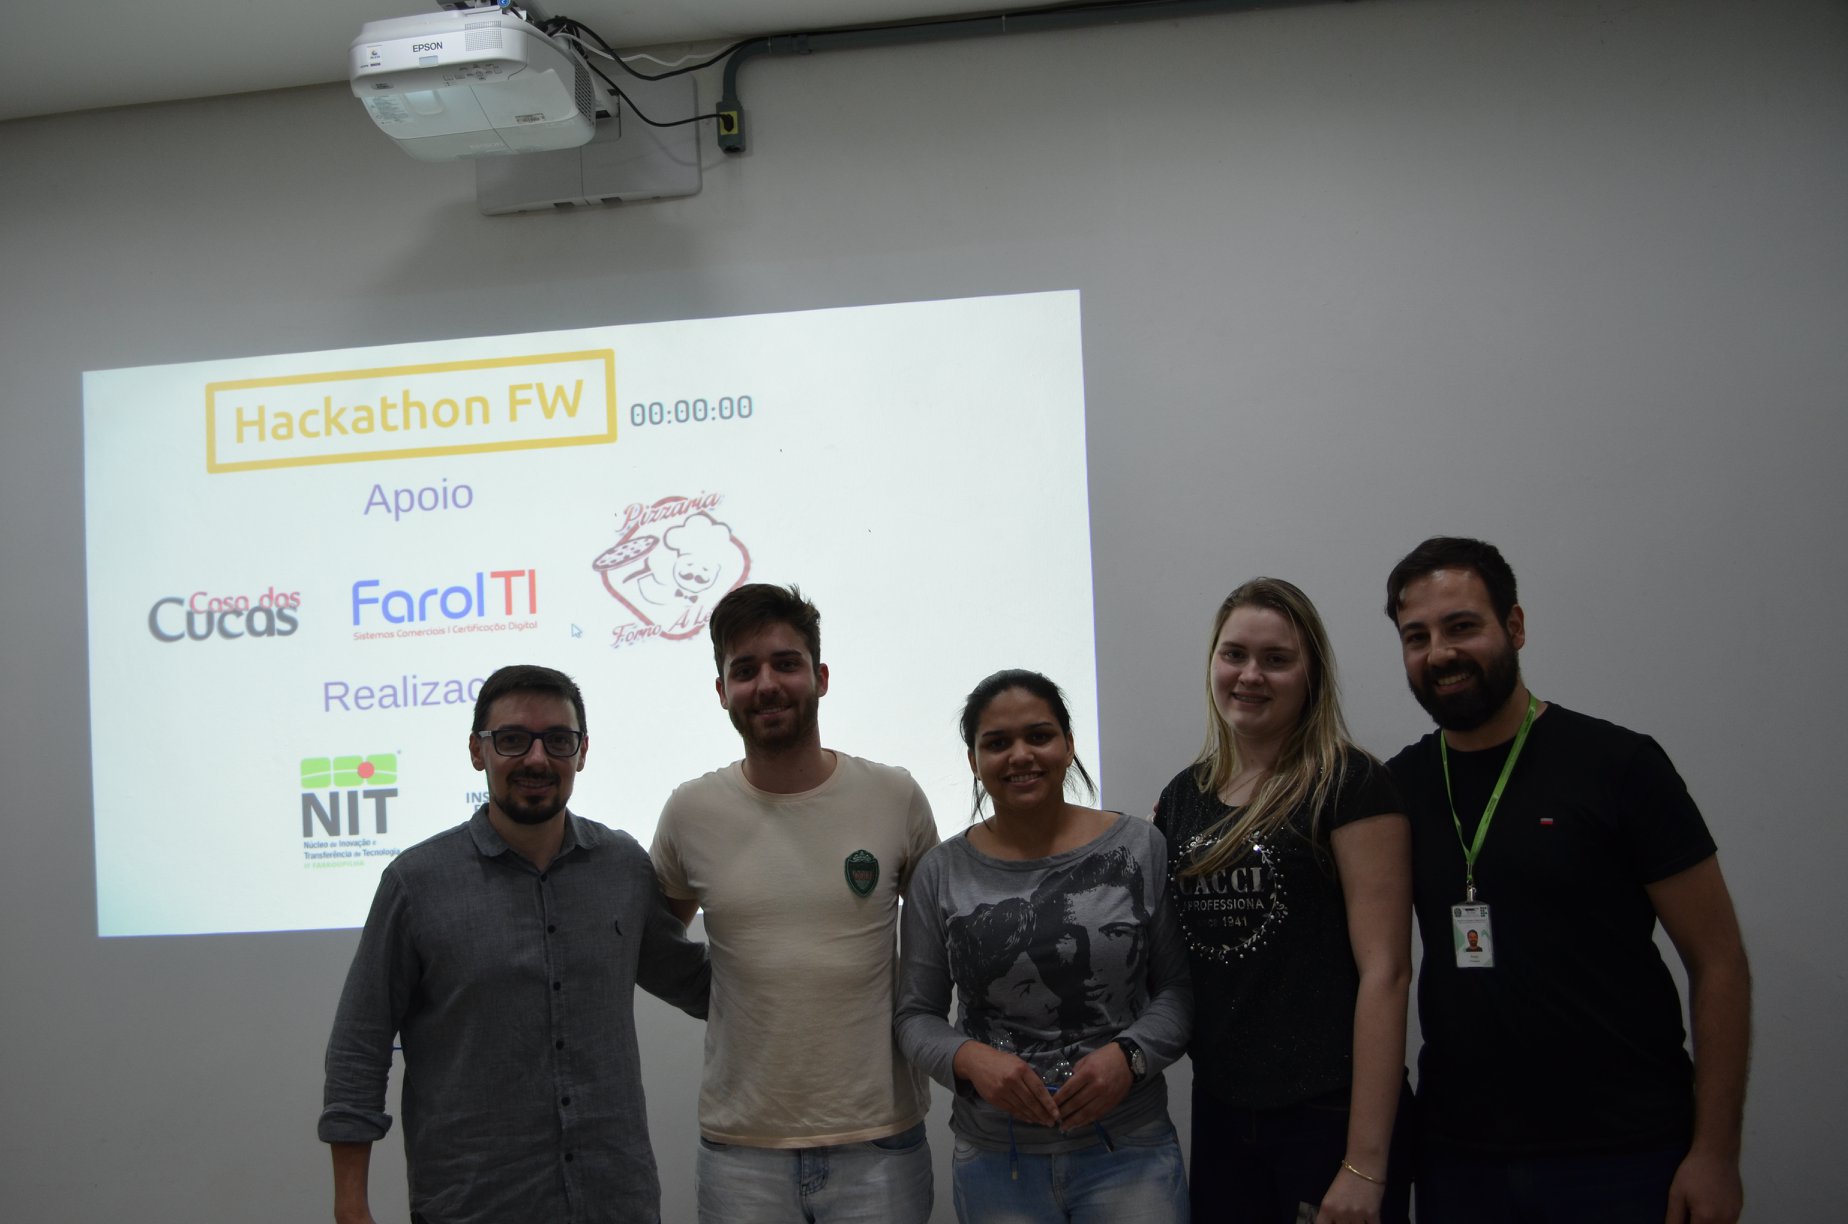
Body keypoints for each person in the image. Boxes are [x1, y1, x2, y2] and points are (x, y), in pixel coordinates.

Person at [1382, 537, 1750, 1224]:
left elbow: (1720, 962)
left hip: (1625, 1155)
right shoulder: (1396, 790)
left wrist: (1716, 1152)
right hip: (1460, 1159)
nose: (1440, 653)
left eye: (1462, 626)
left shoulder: (1619, 765)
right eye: (1417, 636)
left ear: (1514, 626)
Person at [319, 663, 710, 1224]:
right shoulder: (416, 883)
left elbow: (697, 983)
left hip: (613, 1201)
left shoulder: (621, 867)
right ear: (477, 751)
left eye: (558, 740)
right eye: (512, 740)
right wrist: (351, 1204)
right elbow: (360, 1043)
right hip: (474, 1205)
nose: (536, 759)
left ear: (582, 751)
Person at [650, 583, 939, 1224]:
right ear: (721, 690)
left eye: (786, 663)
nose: (767, 685)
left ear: (821, 677)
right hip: (741, 1152)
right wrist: (724, 995)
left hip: (879, 1142)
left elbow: (939, 950)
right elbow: (654, 944)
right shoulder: (690, 811)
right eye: (744, 670)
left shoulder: (895, 796)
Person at [1154, 578, 1413, 1224]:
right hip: (1223, 1111)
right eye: (1234, 654)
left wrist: (1365, 1164)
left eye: (1276, 659)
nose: (1250, 675)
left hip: (1328, 1115)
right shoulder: (1183, 796)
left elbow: (1386, 973)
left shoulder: (1351, 784)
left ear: (1310, 675)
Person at [897, 669, 1192, 1224]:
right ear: (973, 760)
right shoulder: (940, 872)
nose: (1020, 756)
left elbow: (1178, 990)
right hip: (996, 1161)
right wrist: (970, 1059)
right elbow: (915, 1016)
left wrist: (1130, 1057)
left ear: (1069, 743)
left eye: (1039, 736)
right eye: (997, 743)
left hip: (1130, 1151)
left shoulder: (1139, 846)